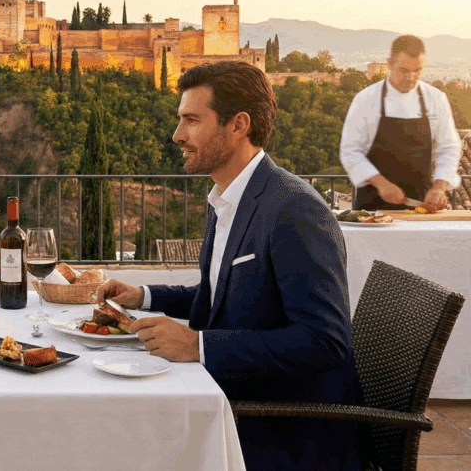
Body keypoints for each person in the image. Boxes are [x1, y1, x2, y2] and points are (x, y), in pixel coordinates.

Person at [98, 61, 361, 469]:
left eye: (192, 120)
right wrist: (144, 296)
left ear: (238, 125)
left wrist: (197, 345)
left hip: (280, 428)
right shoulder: (229, 197)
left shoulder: (293, 209)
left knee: (120, 434)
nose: (177, 135)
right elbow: (224, 296)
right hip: (234, 396)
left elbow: (324, 341)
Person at [340, 35, 462, 211]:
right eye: (404, 70)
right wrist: (382, 184)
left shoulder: (436, 99)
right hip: (373, 207)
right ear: (390, 63)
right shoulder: (366, 99)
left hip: (421, 206)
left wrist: (439, 187)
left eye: (417, 70)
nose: (411, 77)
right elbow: (350, 151)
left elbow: (449, 147)